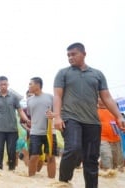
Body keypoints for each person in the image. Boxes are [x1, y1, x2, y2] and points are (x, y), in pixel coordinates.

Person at [53, 42, 125, 188]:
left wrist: (118, 116)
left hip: (92, 122)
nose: (70, 58)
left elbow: (107, 97)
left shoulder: (97, 74)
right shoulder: (63, 73)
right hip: (71, 118)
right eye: (68, 55)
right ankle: (63, 183)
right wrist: (57, 116)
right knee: (72, 149)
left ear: (84, 54)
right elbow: (57, 96)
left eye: (73, 54)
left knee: (91, 159)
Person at [0, 76, 30, 171]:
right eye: (1, 84)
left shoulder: (14, 98)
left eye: (5, 84)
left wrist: (27, 120)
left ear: (8, 84)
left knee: (11, 152)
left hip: (12, 130)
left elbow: (20, 111)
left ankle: (11, 171)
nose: (3, 86)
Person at [27, 77, 56, 178]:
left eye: (30, 84)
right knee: (34, 156)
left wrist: (53, 114)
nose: (29, 86)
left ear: (38, 85)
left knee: (51, 157)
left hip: (50, 132)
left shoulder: (50, 97)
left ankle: (52, 182)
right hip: (35, 132)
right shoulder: (29, 100)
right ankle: (31, 181)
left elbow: (57, 112)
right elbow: (31, 115)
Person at [98, 97, 124, 173]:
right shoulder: (93, 111)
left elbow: (119, 122)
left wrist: (122, 127)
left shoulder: (114, 111)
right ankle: (106, 175)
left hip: (116, 139)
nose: (101, 99)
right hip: (102, 139)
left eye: (102, 97)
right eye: (99, 98)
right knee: (107, 158)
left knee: (118, 164)